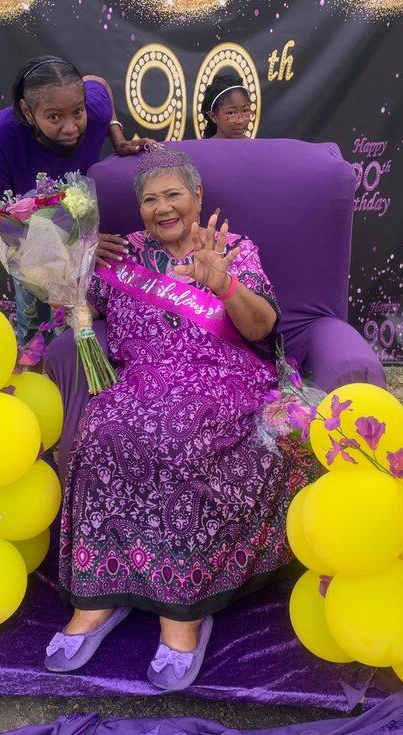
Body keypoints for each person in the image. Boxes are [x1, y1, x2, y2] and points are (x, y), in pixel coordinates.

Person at [45, 149, 305, 691]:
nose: (162, 208)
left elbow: (260, 330)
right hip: (141, 379)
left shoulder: (232, 249)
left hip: (225, 379)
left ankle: (183, 612)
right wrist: (74, 267)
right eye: (149, 199)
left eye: (173, 195)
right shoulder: (121, 252)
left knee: (180, 436)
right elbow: (75, 304)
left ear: (197, 198)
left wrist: (224, 285)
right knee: (104, 429)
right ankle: (100, 596)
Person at [0, 55, 158, 344]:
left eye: (77, 113)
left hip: (86, 247)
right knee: (34, 333)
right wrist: (77, 244)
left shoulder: (95, 110)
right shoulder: (0, 138)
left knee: (80, 330)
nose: (70, 128)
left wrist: (117, 137)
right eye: (54, 117)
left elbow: (99, 83)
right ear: (27, 112)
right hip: (30, 249)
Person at [200, 71, 253, 140]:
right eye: (231, 113)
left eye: (245, 111)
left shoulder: (256, 148)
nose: (240, 121)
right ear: (213, 116)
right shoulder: (204, 149)